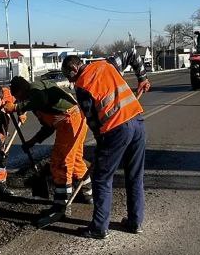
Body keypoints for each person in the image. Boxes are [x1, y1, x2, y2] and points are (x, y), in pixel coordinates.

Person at [62, 54, 145, 239]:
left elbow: (93, 123)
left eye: (68, 76)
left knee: (101, 178)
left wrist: (102, 145)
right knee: (134, 174)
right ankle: (135, 221)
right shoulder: (107, 64)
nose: (69, 80)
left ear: (74, 69)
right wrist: (143, 77)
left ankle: (99, 228)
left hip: (117, 129)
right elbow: (132, 54)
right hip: (137, 121)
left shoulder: (82, 86)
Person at [9, 76, 91, 227]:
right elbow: (48, 126)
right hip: (74, 120)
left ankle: (61, 206)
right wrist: (32, 142)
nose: (18, 101)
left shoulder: (35, 89)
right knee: (76, 159)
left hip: (70, 120)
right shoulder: (34, 101)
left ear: (21, 90)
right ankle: (87, 193)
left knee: (60, 162)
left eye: (17, 97)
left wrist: (16, 108)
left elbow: (40, 100)